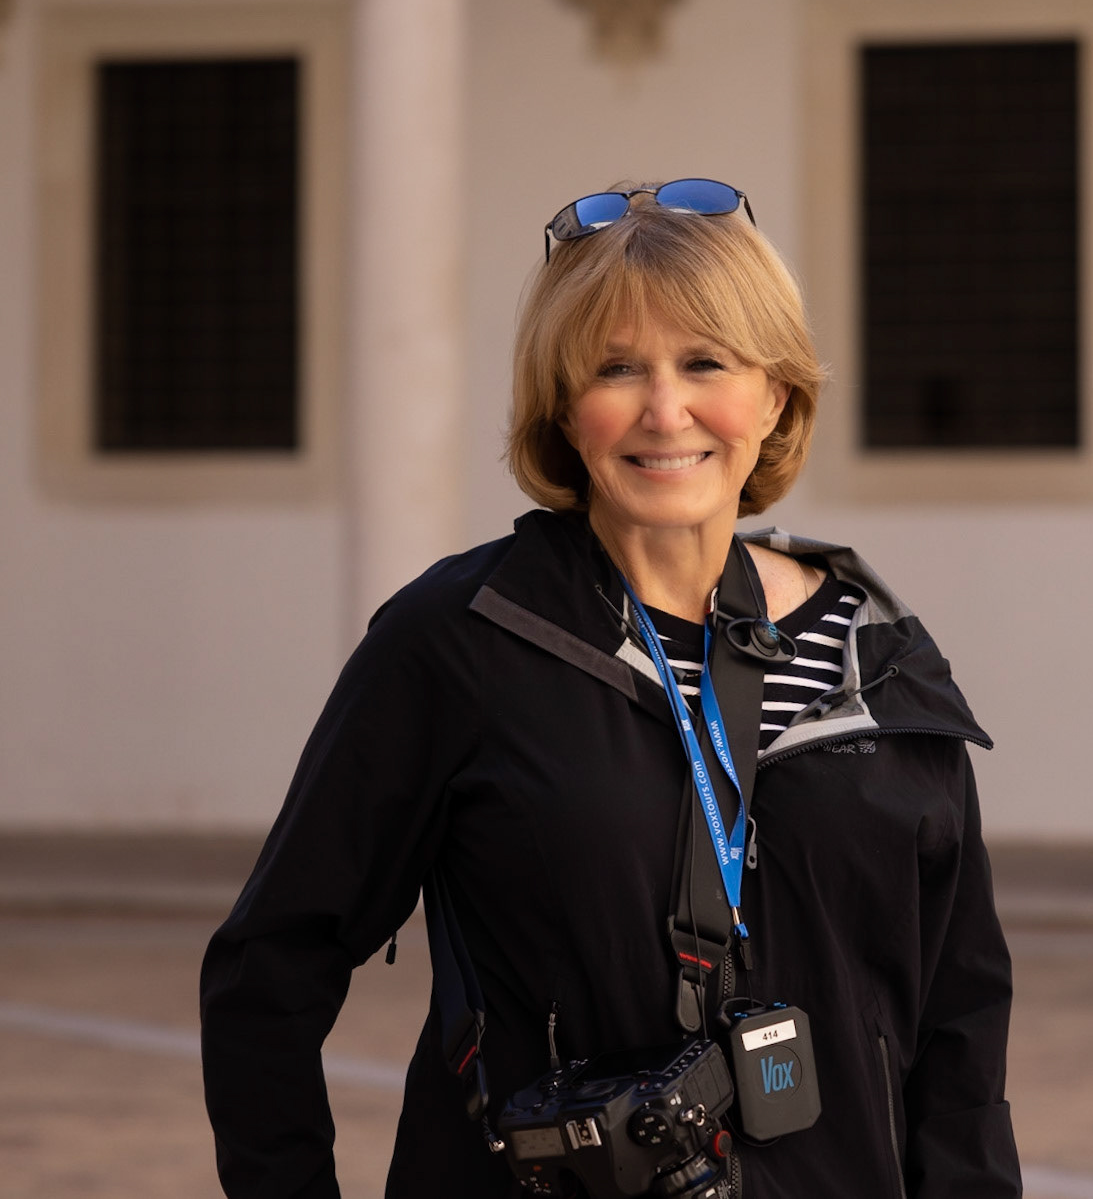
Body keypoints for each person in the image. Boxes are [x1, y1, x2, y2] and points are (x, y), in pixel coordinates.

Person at [200, 180, 1021, 1198]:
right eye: (617, 367)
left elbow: (959, 1021)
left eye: (705, 362)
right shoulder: (460, 641)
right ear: (562, 407)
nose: (665, 409)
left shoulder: (874, 657)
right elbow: (268, 971)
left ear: (773, 395)